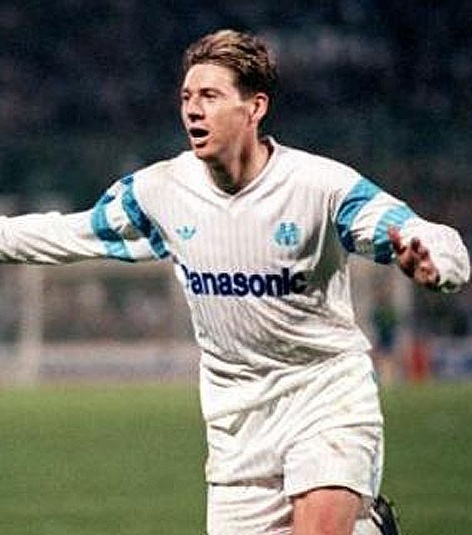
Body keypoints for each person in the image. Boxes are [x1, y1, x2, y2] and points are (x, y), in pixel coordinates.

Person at [0, 29, 469, 535]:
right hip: (236, 422)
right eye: (186, 97)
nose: (192, 110)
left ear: (255, 107)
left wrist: (439, 265)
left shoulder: (319, 186)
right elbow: (67, 233)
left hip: (325, 394)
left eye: (210, 95)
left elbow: (419, 232)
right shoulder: (160, 191)